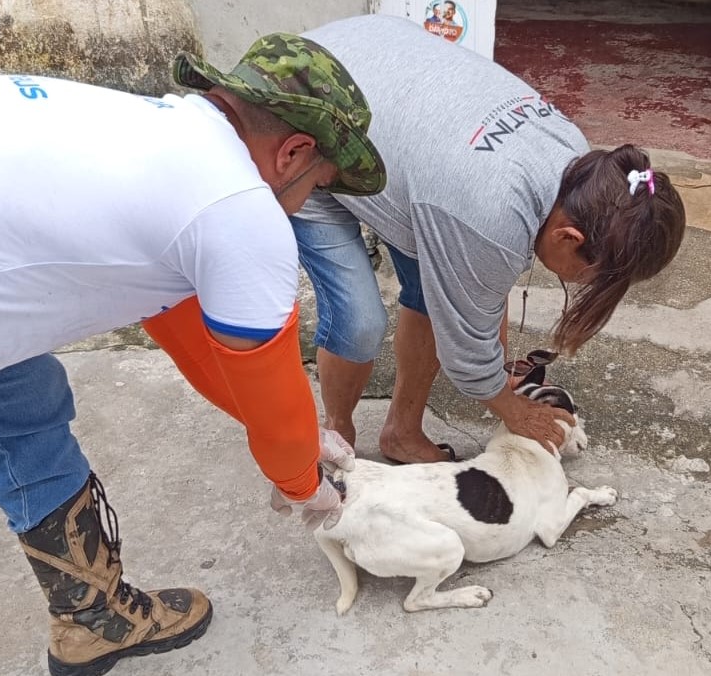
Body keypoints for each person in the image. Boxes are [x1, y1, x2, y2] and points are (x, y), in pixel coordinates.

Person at [0, 33, 383, 676]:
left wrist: (299, 437)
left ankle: (94, 620)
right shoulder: (238, 209)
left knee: (22, 408)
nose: (305, 205)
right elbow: (269, 395)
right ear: (293, 152)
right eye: (317, 185)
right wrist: (303, 482)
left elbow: (200, 343)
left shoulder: (155, 138)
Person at [290, 15, 686, 464]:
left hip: (373, 67)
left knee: (429, 289)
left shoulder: (581, 167)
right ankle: (335, 439)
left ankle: (401, 432)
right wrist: (512, 407)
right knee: (358, 320)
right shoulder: (488, 213)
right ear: (568, 236)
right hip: (306, 110)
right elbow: (468, 355)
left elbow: (474, 302)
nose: (582, 284)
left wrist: (494, 367)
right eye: (589, 275)